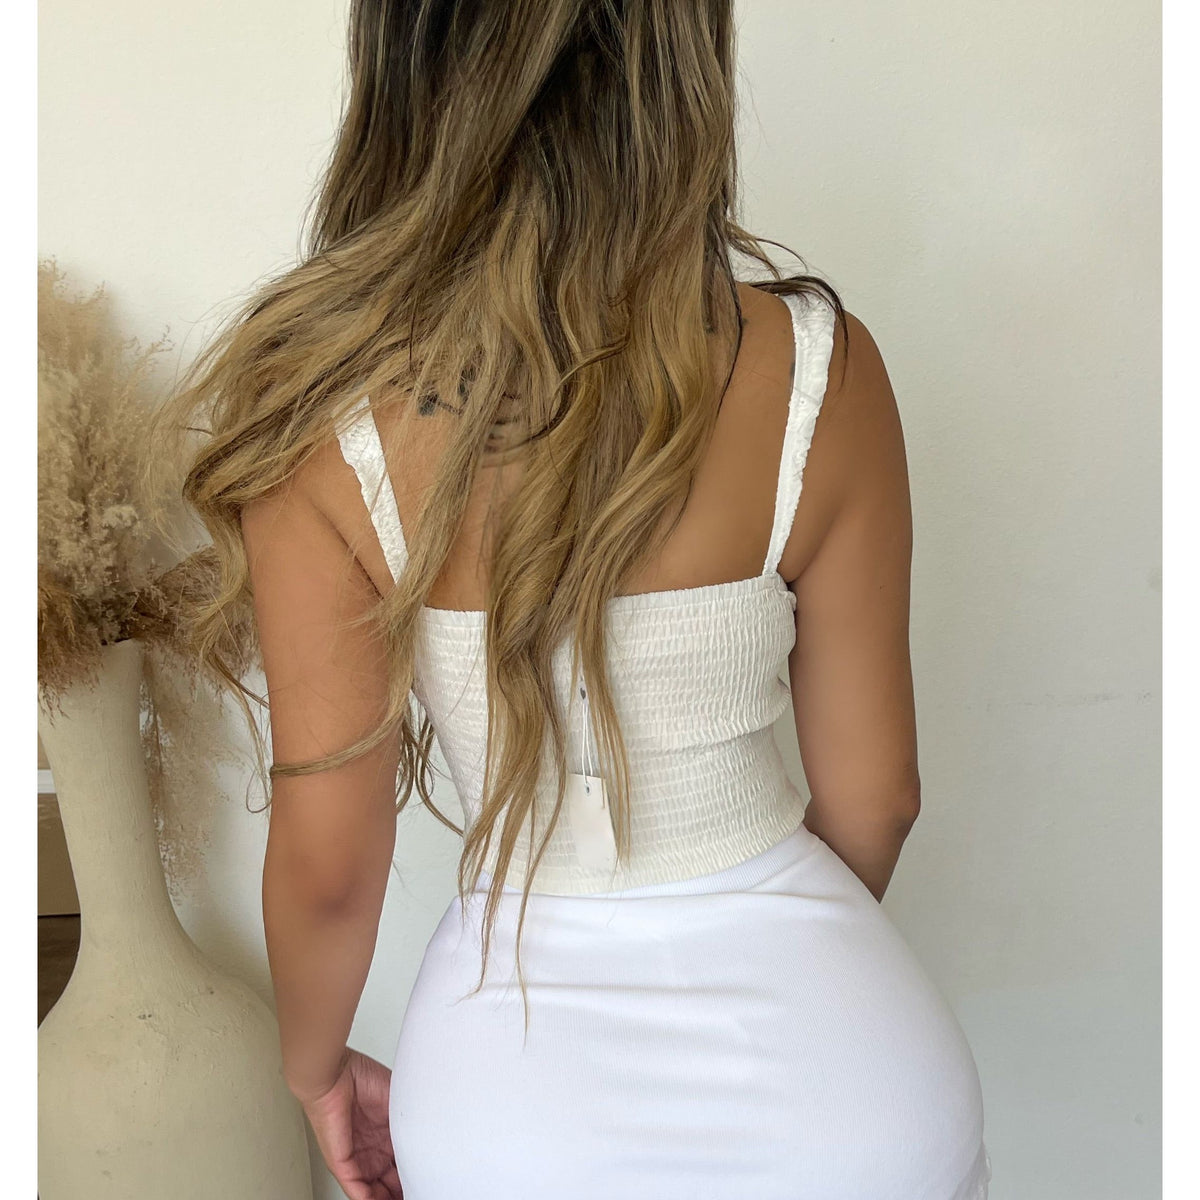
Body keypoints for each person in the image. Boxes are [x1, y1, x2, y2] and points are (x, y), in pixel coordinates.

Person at [164, 3, 991, 1197]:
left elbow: (331, 867)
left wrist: (316, 1069)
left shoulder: (323, 414)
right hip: (853, 1100)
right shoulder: (819, 366)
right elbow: (879, 799)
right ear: (683, 61)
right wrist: (768, 953)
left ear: (405, 60)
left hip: (517, 1112)